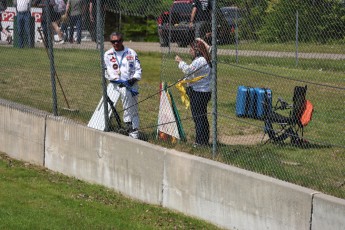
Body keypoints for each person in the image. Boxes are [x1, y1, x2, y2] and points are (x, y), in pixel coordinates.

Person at [104, 32, 142, 139]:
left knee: (133, 108)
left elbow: (138, 69)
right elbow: (106, 72)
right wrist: (117, 80)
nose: (116, 43)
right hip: (116, 85)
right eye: (113, 41)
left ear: (122, 40)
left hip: (132, 83)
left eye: (118, 41)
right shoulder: (107, 54)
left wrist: (133, 79)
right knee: (124, 94)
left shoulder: (131, 52)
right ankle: (127, 122)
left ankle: (134, 132)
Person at [175, 39, 211, 147]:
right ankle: (204, 140)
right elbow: (193, 75)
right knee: (202, 117)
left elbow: (188, 70)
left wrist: (180, 61)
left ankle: (200, 142)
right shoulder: (204, 59)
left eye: (191, 49)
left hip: (199, 93)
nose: (189, 51)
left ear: (197, 50)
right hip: (203, 91)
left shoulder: (200, 60)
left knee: (198, 118)